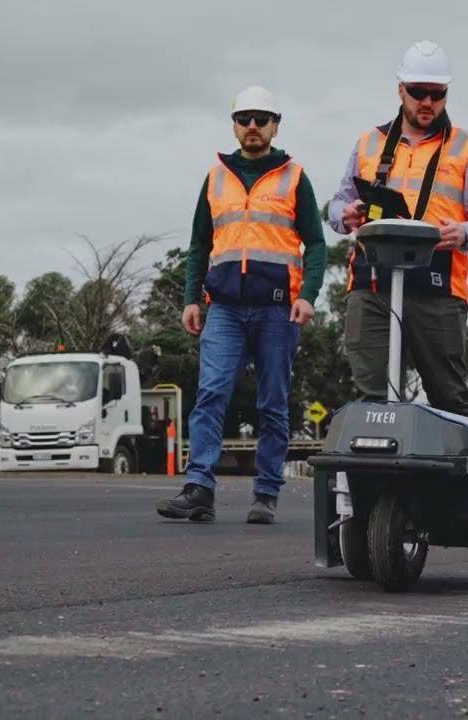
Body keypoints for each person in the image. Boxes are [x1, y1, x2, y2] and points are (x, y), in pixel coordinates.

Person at [157, 86, 326, 524]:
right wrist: (191, 299)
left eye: (262, 118)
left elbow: (317, 244)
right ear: (234, 125)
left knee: (273, 401)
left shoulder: (294, 176)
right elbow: (198, 244)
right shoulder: (216, 177)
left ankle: (266, 493)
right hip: (226, 309)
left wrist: (307, 295)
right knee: (211, 393)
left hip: (277, 310)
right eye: (245, 118)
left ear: (275, 125)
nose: (253, 126)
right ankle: (199, 489)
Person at [326, 40, 468, 417]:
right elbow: (336, 204)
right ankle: (376, 476)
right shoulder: (369, 142)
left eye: (437, 94)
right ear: (400, 90)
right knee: (373, 398)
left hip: (436, 284)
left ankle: (457, 475)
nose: (428, 102)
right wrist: (348, 214)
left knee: (449, 399)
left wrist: (466, 232)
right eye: (419, 93)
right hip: (371, 283)